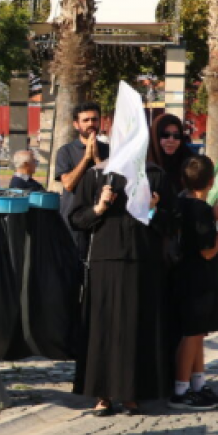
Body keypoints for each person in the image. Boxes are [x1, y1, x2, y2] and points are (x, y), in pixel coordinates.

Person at [69, 155, 176, 416]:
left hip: (143, 261)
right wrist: (100, 207)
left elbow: (173, 224)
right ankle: (102, 394)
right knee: (102, 330)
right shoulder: (96, 175)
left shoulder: (155, 175)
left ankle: (132, 393)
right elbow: (76, 219)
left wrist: (152, 209)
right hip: (105, 261)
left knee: (134, 329)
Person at [169, 155, 218, 411]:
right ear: (211, 181)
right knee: (192, 334)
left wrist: (214, 216)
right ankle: (181, 389)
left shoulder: (183, 203)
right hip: (197, 278)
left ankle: (198, 383)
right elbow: (208, 250)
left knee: (198, 334)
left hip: (184, 275)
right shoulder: (201, 210)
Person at [55, 101, 111, 258]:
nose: (91, 124)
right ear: (76, 124)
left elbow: (110, 182)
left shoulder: (110, 150)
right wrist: (86, 158)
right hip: (74, 221)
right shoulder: (66, 151)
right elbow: (68, 184)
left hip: (102, 220)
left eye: (94, 119)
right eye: (86, 120)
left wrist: (98, 159)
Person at [149, 113, 196, 183]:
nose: (171, 140)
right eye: (165, 135)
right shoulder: (143, 168)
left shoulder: (191, 165)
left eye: (176, 135)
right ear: (155, 137)